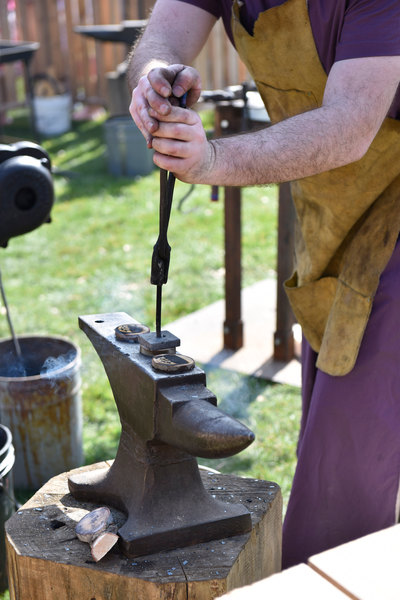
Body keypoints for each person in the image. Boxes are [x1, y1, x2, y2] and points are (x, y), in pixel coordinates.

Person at [128, 0, 400, 568]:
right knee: (331, 434)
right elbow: (163, 37)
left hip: (393, 218)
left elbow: (351, 124)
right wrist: (152, 79)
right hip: (331, 217)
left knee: (340, 492)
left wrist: (212, 160)